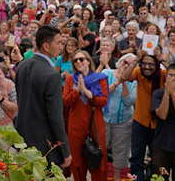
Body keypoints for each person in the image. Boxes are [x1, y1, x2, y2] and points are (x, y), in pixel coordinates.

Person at [15, 25, 72, 168]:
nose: (61, 46)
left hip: (22, 141)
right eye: (58, 43)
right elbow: (55, 117)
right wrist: (65, 151)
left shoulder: (21, 66)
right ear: (46, 46)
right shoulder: (52, 75)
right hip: (46, 148)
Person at [121, 50, 167, 181]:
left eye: (151, 64)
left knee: (158, 159)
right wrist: (136, 60)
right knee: (136, 157)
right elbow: (124, 77)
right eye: (144, 63)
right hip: (140, 121)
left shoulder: (163, 74)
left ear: (157, 64)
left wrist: (162, 59)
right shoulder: (138, 72)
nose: (147, 67)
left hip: (158, 123)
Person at [63, 50, 109, 181]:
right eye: (75, 60)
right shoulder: (70, 80)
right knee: (77, 161)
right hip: (75, 125)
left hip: (95, 124)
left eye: (81, 59)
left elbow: (103, 101)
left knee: (98, 159)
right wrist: (77, 91)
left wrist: (86, 92)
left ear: (88, 61)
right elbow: (65, 101)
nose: (78, 62)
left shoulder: (100, 78)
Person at [102, 54, 137, 180]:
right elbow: (102, 93)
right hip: (104, 118)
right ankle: (100, 175)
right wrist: (118, 82)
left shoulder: (134, 80)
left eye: (130, 65)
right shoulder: (107, 72)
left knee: (120, 152)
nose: (126, 66)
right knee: (100, 150)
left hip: (123, 121)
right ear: (120, 61)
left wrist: (125, 82)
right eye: (125, 62)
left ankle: (117, 177)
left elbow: (129, 102)